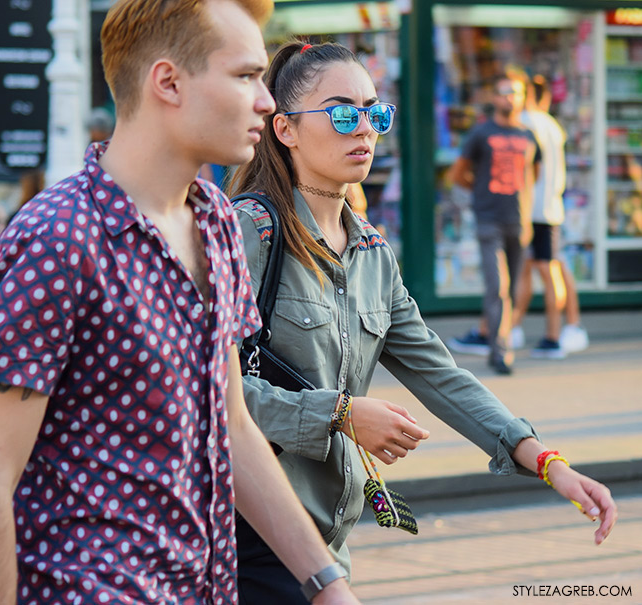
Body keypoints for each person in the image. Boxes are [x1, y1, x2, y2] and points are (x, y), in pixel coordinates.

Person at [0, 2, 361, 604]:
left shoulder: (218, 220)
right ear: (168, 82)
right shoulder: (56, 239)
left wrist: (326, 584)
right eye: (246, 76)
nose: (267, 100)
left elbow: (232, 424)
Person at [229, 41, 616, 603]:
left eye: (374, 113)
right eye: (342, 113)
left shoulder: (373, 254)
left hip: (329, 540)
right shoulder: (247, 233)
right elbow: (206, 393)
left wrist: (546, 460)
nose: (363, 129)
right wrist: (338, 414)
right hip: (253, 535)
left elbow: (439, 372)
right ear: (285, 129)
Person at [447, 72, 542, 375]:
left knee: (512, 288)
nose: (508, 98)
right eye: (503, 92)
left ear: (522, 97)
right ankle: (501, 350)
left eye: (514, 92)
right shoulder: (481, 133)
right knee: (497, 286)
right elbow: (457, 173)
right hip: (489, 221)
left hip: (519, 222)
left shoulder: (529, 136)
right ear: (494, 98)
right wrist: (479, 189)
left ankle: (500, 342)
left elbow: (533, 174)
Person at [511, 75, 589, 357]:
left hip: (535, 208)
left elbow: (533, 170)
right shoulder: (552, 125)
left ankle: (555, 335)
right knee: (536, 266)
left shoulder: (526, 122)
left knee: (547, 267)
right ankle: (513, 328)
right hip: (548, 206)